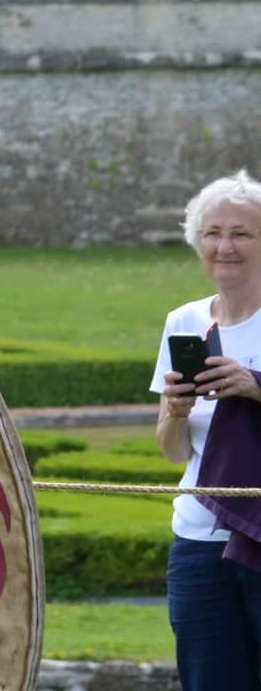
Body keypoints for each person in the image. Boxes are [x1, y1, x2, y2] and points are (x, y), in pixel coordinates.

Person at [153, 169, 261, 691]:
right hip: (198, 541)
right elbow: (174, 452)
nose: (225, 247)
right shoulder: (184, 321)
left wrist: (254, 386)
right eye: (213, 233)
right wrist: (175, 412)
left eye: (241, 233)